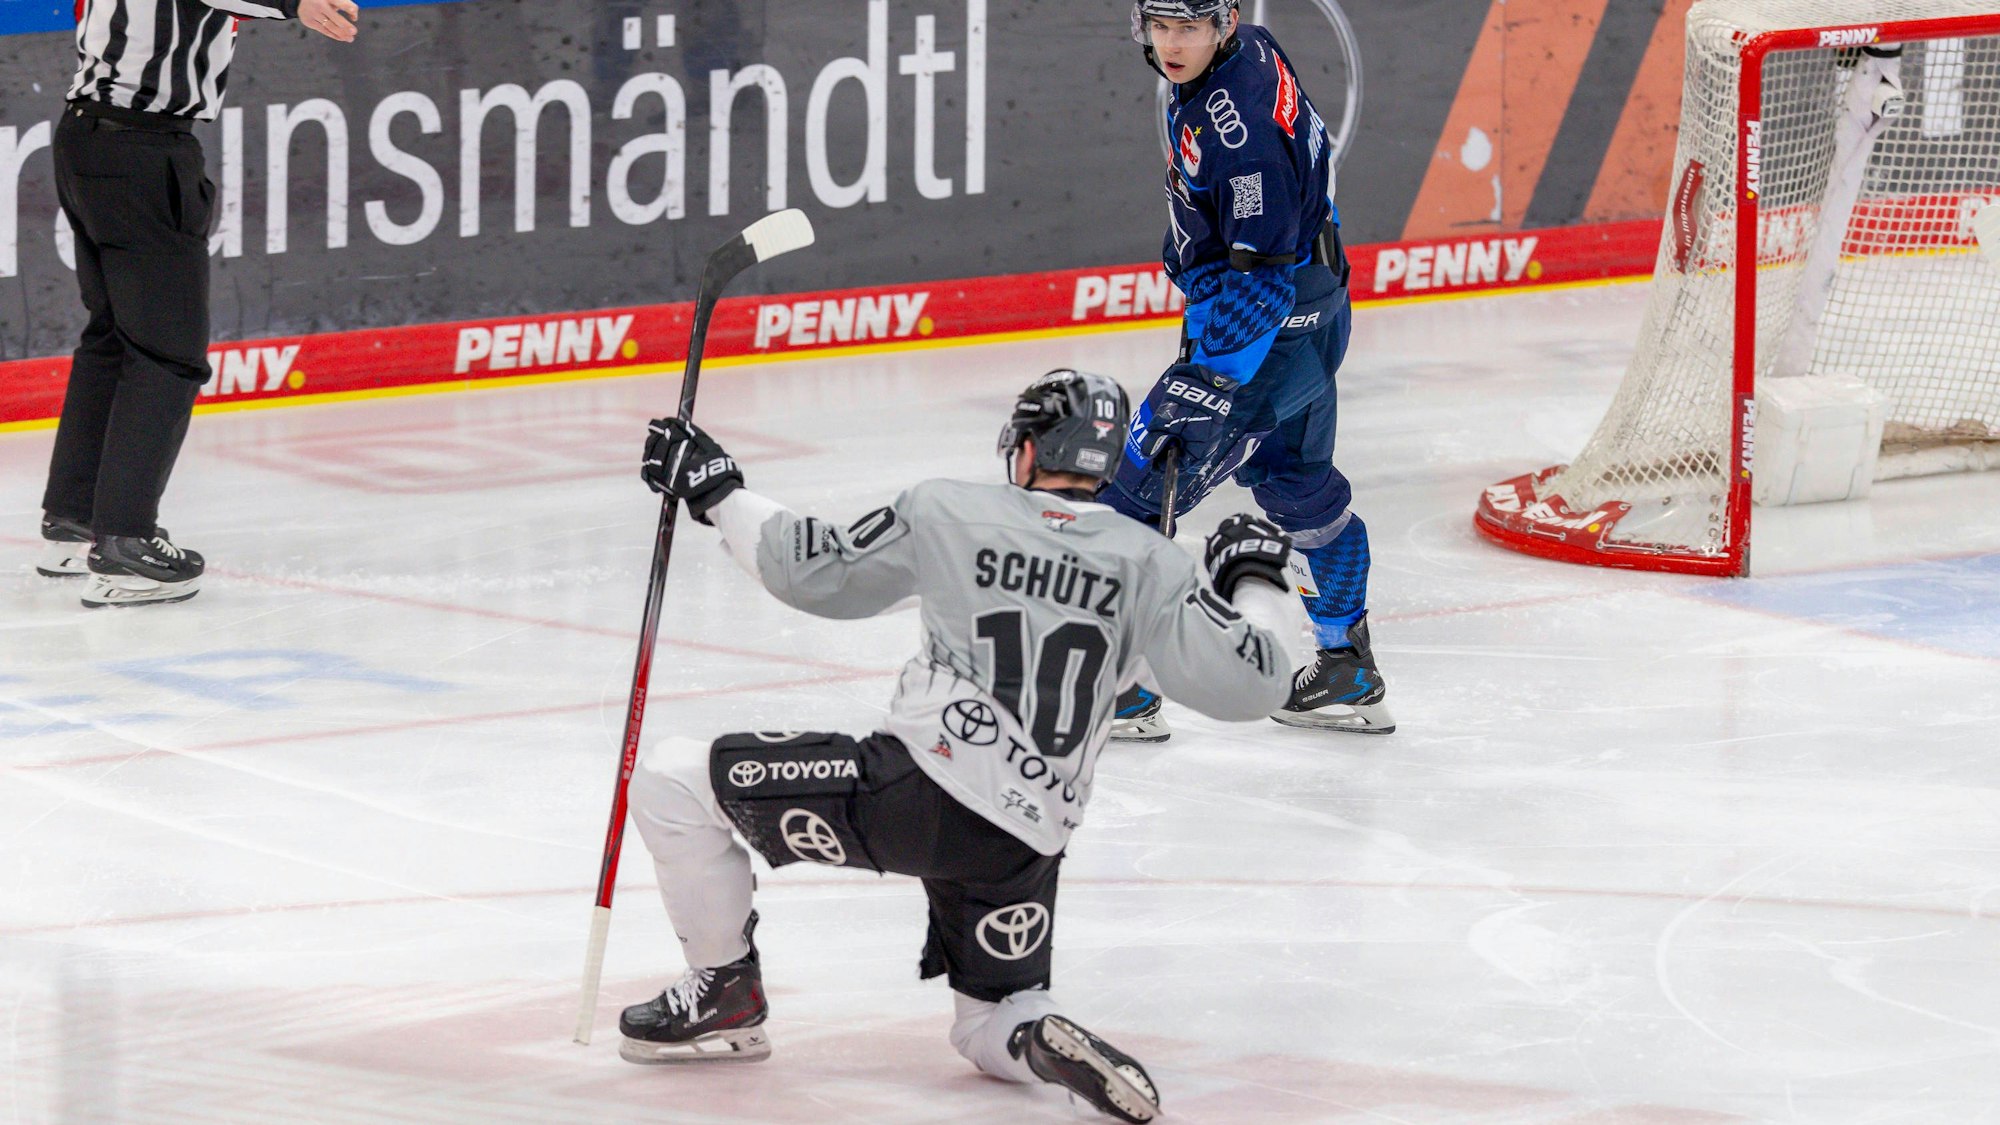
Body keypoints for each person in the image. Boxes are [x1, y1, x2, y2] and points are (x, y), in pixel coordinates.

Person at [618, 369, 1299, 1123]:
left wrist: (716, 489)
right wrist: (1255, 577)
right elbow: (1255, 685)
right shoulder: (1152, 564)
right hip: (1024, 841)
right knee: (987, 1019)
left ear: (1029, 448)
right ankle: (1031, 1035)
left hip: (914, 791)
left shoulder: (950, 511)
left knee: (672, 780)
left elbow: (815, 571)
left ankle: (725, 992)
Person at [1106, 0, 1393, 740]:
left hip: (1266, 332)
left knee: (1133, 494)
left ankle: (1123, 692)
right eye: (1160, 26)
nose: (1172, 43)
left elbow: (1260, 282)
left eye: (1188, 28)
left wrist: (1206, 381)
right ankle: (1346, 668)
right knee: (1299, 486)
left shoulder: (1243, 134)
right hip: (1316, 311)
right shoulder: (1252, 48)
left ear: (1224, 22)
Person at [35, 0, 359, 607]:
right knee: (167, 354)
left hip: (88, 136)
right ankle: (124, 542)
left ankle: (76, 519)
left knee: (113, 337)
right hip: (141, 148)